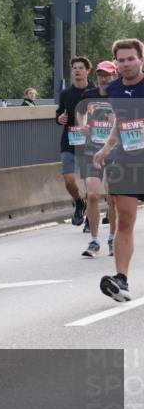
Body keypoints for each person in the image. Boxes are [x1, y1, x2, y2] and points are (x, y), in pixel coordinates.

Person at [93, 38, 144, 302]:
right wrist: (106, 147)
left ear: (141, 60)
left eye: (130, 59)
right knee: (125, 221)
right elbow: (120, 124)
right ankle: (121, 280)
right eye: (121, 60)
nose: (126, 64)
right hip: (126, 161)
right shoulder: (113, 89)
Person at [75, 61, 119, 257]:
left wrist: (116, 121)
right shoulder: (88, 95)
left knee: (113, 198)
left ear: (114, 76)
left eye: (108, 75)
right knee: (92, 195)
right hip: (92, 150)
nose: (104, 78)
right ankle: (94, 241)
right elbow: (80, 112)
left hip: (115, 151)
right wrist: (82, 125)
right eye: (101, 74)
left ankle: (112, 238)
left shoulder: (119, 95)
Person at [56, 56, 94, 227]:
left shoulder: (95, 91)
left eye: (80, 68)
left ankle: (90, 218)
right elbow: (59, 113)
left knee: (89, 183)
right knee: (69, 180)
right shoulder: (65, 94)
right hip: (69, 140)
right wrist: (60, 118)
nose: (77, 71)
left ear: (87, 71)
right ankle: (79, 203)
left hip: (90, 142)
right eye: (74, 68)